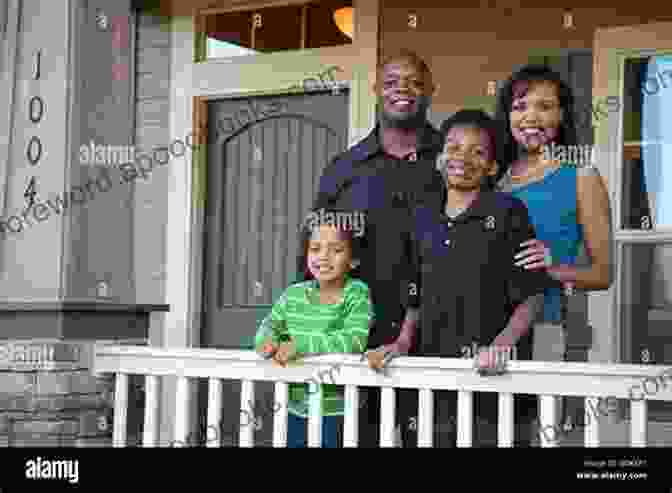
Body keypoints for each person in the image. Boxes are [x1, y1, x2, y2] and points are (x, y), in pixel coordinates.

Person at [369, 109, 563, 447]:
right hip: (429, 379)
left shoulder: (507, 213)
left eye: (478, 151)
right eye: (454, 147)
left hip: (491, 381)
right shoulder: (422, 216)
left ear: (491, 166)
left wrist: (502, 345)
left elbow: (532, 294)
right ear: (440, 158)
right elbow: (416, 295)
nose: (463, 157)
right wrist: (402, 341)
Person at [301, 50, 446, 447]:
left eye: (415, 81)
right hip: (358, 338)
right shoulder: (344, 169)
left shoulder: (452, 161)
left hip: (442, 336)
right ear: (377, 91)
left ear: (431, 91)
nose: (403, 89)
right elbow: (315, 251)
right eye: (392, 81)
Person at [494, 65, 613, 437]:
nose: (531, 117)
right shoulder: (489, 176)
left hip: (544, 328)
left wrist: (552, 268)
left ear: (562, 116)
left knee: (537, 435)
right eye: (520, 106)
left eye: (545, 106)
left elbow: (603, 273)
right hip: (482, 327)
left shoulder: (581, 176)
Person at [256, 210, 372, 448]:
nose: (323, 257)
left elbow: (354, 340)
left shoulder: (356, 292)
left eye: (336, 250)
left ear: (353, 260)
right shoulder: (294, 294)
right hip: (295, 408)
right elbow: (269, 324)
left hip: (339, 411)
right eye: (315, 249)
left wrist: (300, 347)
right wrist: (266, 341)